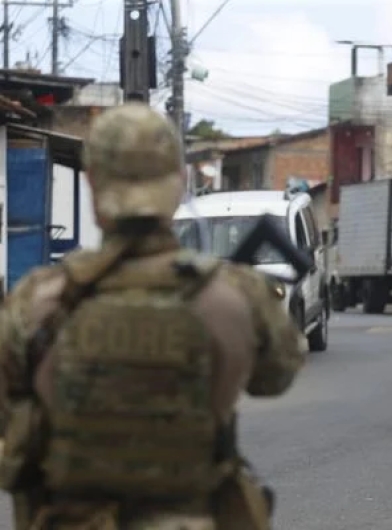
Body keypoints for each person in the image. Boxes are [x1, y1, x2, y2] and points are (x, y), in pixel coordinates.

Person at [0, 102, 306, 530]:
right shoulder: (235, 296)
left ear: (92, 185)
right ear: (179, 184)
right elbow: (276, 377)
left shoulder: (35, 301)